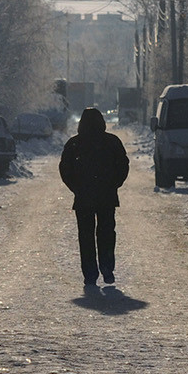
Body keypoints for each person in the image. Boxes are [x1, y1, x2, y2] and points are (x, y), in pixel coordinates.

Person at [59, 107, 130, 288]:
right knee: (106, 234)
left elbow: (65, 169)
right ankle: (107, 268)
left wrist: (76, 188)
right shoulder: (111, 142)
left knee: (86, 236)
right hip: (106, 197)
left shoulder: (74, 144)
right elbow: (123, 165)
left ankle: (90, 274)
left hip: (83, 198)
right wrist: (113, 184)